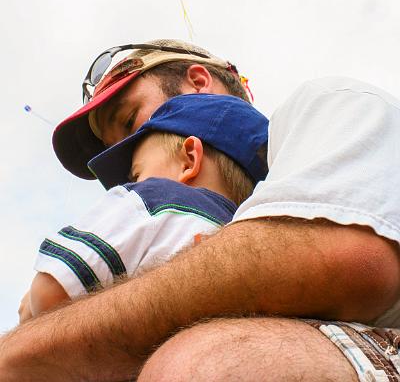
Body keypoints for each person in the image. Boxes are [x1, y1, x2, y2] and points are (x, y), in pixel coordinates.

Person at [1, 39, 400, 382]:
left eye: (131, 120)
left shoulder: (324, 106)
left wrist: (27, 347)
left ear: (197, 81)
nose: (130, 180)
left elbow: (344, 255)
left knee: (207, 361)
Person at [20, 93, 267, 320]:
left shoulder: (154, 199)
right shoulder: (251, 241)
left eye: (136, 174)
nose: (132, 183)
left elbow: (50, 292)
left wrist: (27, 306)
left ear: (189, 160)